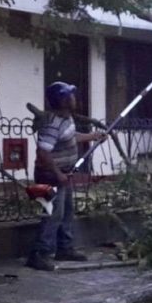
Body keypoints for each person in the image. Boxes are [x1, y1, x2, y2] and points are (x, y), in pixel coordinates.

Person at [26, 82, 106, 271]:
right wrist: (58, 173)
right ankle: (39, 254)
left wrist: (93, 136)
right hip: (50, 176)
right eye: (70, 96)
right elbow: (43, 153)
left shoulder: (67, 119)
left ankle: (65, 248)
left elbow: (70, 136)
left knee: (68, 211)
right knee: (53, 214)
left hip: (65, 174)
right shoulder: (52, 123)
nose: (74, 99)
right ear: (62, 100)